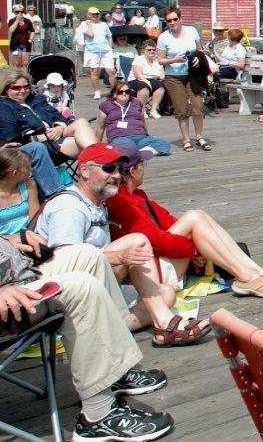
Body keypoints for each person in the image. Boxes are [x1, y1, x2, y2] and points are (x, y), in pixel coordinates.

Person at [33, 142, 211, 347]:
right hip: (64, 292)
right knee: (138, 240)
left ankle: (99, 330)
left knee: (165, 294)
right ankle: (163, 325)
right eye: (108, 168)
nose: (117, 175)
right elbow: (65, 260)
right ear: (84, 170)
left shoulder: (98, 202)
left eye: (119, 169)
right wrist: (120, 257)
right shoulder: (70, 207)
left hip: (94, 282)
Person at [0, 236, 175, 441]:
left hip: (15, 274)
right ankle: (98, 416)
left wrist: (11, 240)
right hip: (6, 299)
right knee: (80, 287)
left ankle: (114, 373)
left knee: (89, 256)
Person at [105, 137, 263, 298]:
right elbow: (160, 242)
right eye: (142, 165)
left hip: (164, 260)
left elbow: (169, 221)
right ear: (132, 171)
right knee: (194, 217)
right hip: (151, 274)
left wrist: (198, 246)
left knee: (196, 217)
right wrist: (198, 251)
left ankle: (256, 274)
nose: (144, 169)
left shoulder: (137, 195)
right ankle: (248, 277)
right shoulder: (121, 203)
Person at [0, 70, 99, 159]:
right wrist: (37, 137)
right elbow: (10, 138)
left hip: (57, 134)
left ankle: (101, 159)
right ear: (6, 89)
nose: (22, 90)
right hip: (38, 145)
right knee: (82, 145)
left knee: (81, 122)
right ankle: (102, 158)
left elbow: (59, 116)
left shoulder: (37, 99)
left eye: (26, 87)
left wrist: (59, 127)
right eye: (16, 88)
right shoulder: (5, 107)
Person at [156, 5, 211, 152]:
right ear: (166, 22)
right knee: (181, 110)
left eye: (175, 19)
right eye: (169, 21)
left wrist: (198, 59)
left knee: (198, 106)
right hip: (174, 76)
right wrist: (173, 60)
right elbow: (160, 60)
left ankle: (199, 136)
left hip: (193, 75)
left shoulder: (192, 31)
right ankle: (186, 140)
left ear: (180, 19)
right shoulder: (163, 37)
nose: (172, 23)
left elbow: (199, 51)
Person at [97, 83, 171, 156]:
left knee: (163, 144)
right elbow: (101, 128)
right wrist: (97, 146)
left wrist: (147, 135)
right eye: (120, 92)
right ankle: (140, 152)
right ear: (114, 94)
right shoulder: (106, 105)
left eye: (127, 91)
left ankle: (135, 153)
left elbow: (143, 121)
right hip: (120, 137)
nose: (124, 94)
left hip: (140, 137)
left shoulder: (137, 103)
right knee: (124, 145)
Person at [76, 6, 115, 99]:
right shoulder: (84, 25)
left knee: (111, 71)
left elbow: (109, 36)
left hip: (105, 50)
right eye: (93, 14)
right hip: (92, 51)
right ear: (89, 15)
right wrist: (89, 24)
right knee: (94, 71)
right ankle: (97, 91)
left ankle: (114, 91)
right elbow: (90, 34)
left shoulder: (104, 24)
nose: (95, 16)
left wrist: (110, 47)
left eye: (97, 14)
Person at [0, 148, 38, 234]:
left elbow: (34, 220)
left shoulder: (29, 185)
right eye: (27, 168)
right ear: (14, 173)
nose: (30, 170)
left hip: (29, 235)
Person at [129, 39, 166, 118]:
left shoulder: (156, 60)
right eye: (149, 50)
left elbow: (162, 73)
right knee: (144, 86)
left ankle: (153, 110)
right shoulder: (139, 59)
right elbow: (137, 74)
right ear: (143, 51)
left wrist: (162, 77)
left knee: (160, 85)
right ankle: (142, 110)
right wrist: (146, 82)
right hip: (136, 80)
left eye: (153, 50)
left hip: (153, 80)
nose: (151, 51)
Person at [7, 3, 35, 70]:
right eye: (17, 12)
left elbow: (32, 30)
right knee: (17, 64)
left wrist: (31, 39)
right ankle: (17, 78)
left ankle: (24, 78)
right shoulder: (11, 21)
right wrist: (17, 20)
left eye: (21, 12)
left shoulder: (27, 21)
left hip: (26, 44)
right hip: (15, 44)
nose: (20, 13)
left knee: (25, 64)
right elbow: (11, 30)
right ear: (15, 13)